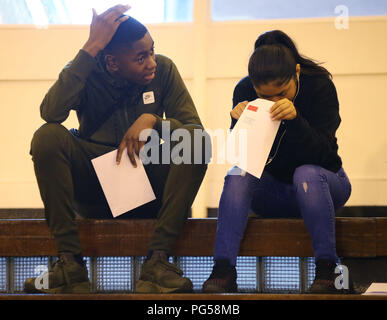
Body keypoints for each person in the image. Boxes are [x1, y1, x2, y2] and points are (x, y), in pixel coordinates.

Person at [24, 4, 209, 294]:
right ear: (111, 62)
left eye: (151, 51)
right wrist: (90, 47)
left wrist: (153, 122)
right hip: (95, 189)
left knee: (197, 141)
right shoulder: (85, 72)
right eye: (140, 57)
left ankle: (158, 263)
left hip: (147, 189)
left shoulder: (164, 70)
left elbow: (194, 131)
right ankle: (70, 263)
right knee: (47, 136)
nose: (152, 63)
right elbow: (51, 112)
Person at [202, 30, 352, 294]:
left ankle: (328, 269)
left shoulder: (319, 86)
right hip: (272, 191)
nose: (273, 103)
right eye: (265, 96)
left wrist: (295, 121)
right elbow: (244, 157)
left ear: (296, 72)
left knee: (305, 174)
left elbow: (326, 156)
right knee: (238, 173)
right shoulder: (244, 89)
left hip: (324, 184)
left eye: (281, 93)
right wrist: (238, 124)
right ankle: (223, 269)